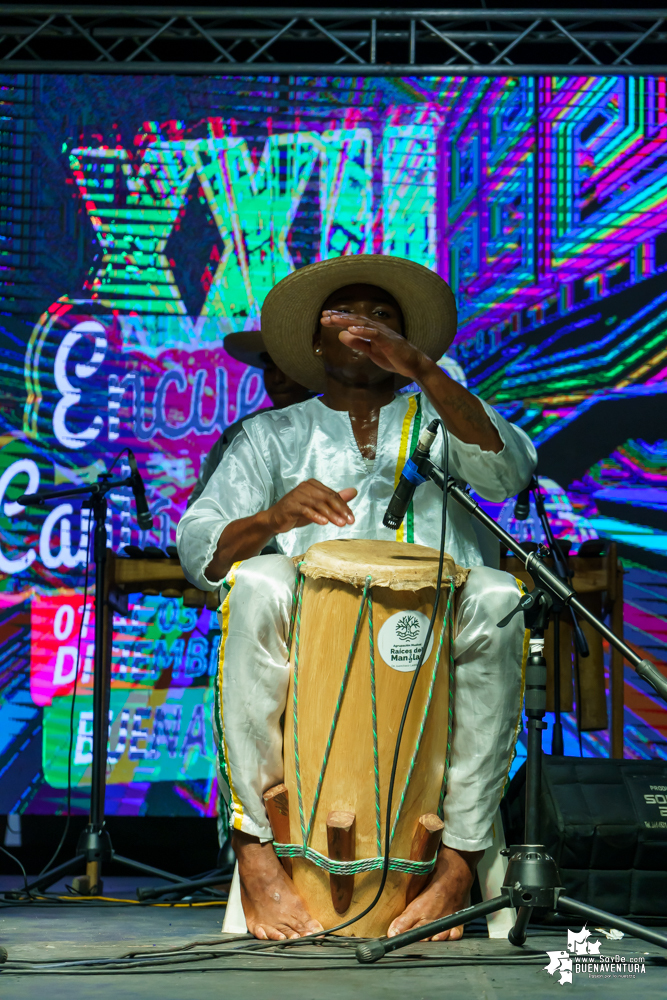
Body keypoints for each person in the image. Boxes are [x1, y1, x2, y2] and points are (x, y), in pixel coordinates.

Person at [177, 254, 537, 942]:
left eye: (383, 318)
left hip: (434, 628)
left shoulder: (439, 415)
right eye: (346, 317)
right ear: (314, 344)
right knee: (256, 580)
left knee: (496, 594)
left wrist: (425, 374)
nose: (364, 328)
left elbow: (507, 474)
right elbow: (201, 553)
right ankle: (254, 849)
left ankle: (457, 863)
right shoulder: (271, 435)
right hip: (317, 642)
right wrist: (270, 521)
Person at [188, 331, 312, 507]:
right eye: (270, 368)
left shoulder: (331, 429)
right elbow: (200, 508)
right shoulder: (238, 434)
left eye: (285, 368)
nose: (277, 379)